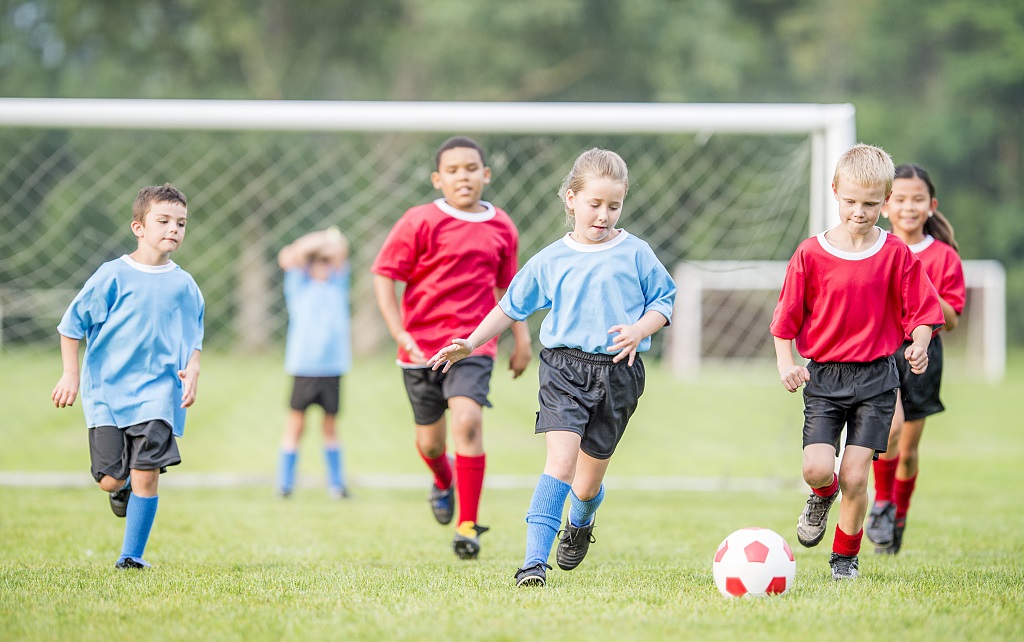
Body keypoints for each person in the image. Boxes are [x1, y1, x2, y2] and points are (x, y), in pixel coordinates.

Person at [429, 148, 676, 587]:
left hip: (618, 373)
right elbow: (510, 307)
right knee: (559, 463)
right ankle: (533, 564)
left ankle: (580, 522)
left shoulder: (636, 252)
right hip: (564, 370)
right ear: (571, 199)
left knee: (584, 486)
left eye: (613, 206)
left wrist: (640, 329)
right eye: (594, 204)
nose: (603, 215)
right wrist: (471, 342)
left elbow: (664, 300)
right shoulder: (550, 259)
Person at [770, 145, 944, 580]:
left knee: (854, 476)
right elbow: (784, 319)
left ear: (885, 201)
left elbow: (924, 314)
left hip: (877, 379)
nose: (860, 211)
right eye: (851, 201)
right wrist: (784, 363)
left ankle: (844, 560)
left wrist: (919, 342)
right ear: (835, 192)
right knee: (817, 468)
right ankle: (819, 495)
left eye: (870, 203)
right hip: (825, 377)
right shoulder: (810, 254)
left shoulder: (896, 256)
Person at [371, 136, 532, 560]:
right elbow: (384, 275)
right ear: (438, 179)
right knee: (430, 444)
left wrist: (521, 338)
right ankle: (443, 482)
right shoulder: (418, 221)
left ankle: (468, 525)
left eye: (472, 168)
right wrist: (399, 331)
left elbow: (510, 289)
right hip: (420, 350)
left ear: (486, 174)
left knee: (468, 422)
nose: (464, 176)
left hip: (471, 346)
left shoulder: (502, 226)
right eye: (454, 170)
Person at [51, 183, 204, 570]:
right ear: (138, 226)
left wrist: (194, 366)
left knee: (146, 475)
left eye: (181, 223)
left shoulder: (184, 285)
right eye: (164, 220)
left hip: (158, 395)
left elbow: (193, 335)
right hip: (107, 394)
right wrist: (70, 374)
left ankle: (131, 556)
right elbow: (71, 326)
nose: (174, 229)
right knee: (110, 479)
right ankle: (118, 492)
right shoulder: (112, 276)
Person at [866, 164, 965, 554]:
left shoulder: (942, 258)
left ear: (931, 205)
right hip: (884, 350)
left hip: (924, 354)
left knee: (907, 450)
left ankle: (897, 519)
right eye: (901, 199)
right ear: (887, 205)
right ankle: (882, 505)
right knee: (889, 430)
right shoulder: (875, 246)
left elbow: (952, 319)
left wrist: (919, 279)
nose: (909, 207)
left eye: (918, 199)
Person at [276, 227, 352, 500]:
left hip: (332, 368)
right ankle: (284, 484)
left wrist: (330, 243)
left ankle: (336, 484)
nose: (323, 267)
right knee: (296, 425)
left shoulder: (337, 282)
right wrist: (320, 242)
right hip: (304, 367)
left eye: (326, 262)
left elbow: (340, 248)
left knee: (330, 427)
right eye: (316, 263)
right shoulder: (298, 285)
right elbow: (290, 255)